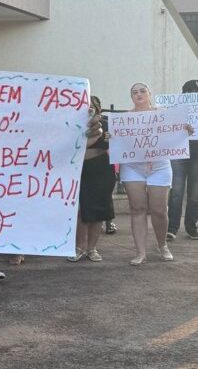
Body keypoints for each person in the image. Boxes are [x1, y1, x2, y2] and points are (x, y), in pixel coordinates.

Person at [120, 83, 192, 265]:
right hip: (133, 167)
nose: (139, 94)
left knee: (159, 210)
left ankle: (162, 246)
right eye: (134, 92)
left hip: (159, 166)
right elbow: (120, 141)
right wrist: (111, 137)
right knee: (137, 209)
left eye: (142, 90)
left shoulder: (164, 113)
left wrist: (186, 130)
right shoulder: (125, 118)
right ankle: (140, 252)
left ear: (150, 94)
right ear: (131, 97)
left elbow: (177, 131)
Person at [68, 96, 116, 262]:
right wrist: (93, 140)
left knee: (99, 211)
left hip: (102, 170)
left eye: (92, 107)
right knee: (81, 211)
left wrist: (113, 138)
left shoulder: (108, 123)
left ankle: (92, 249)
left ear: (98, 109)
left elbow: (121, 145)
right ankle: (78, 248)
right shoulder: (73, 125)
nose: (89, 110)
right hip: (80, 170)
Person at [167, 79, 198, 240]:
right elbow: (166, 127)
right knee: (177, 191)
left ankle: (192, 226)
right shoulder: (176, 109)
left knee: (195, 193)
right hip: (179, 152)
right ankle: (171, 227)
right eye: (192, 91)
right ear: (185, 94)